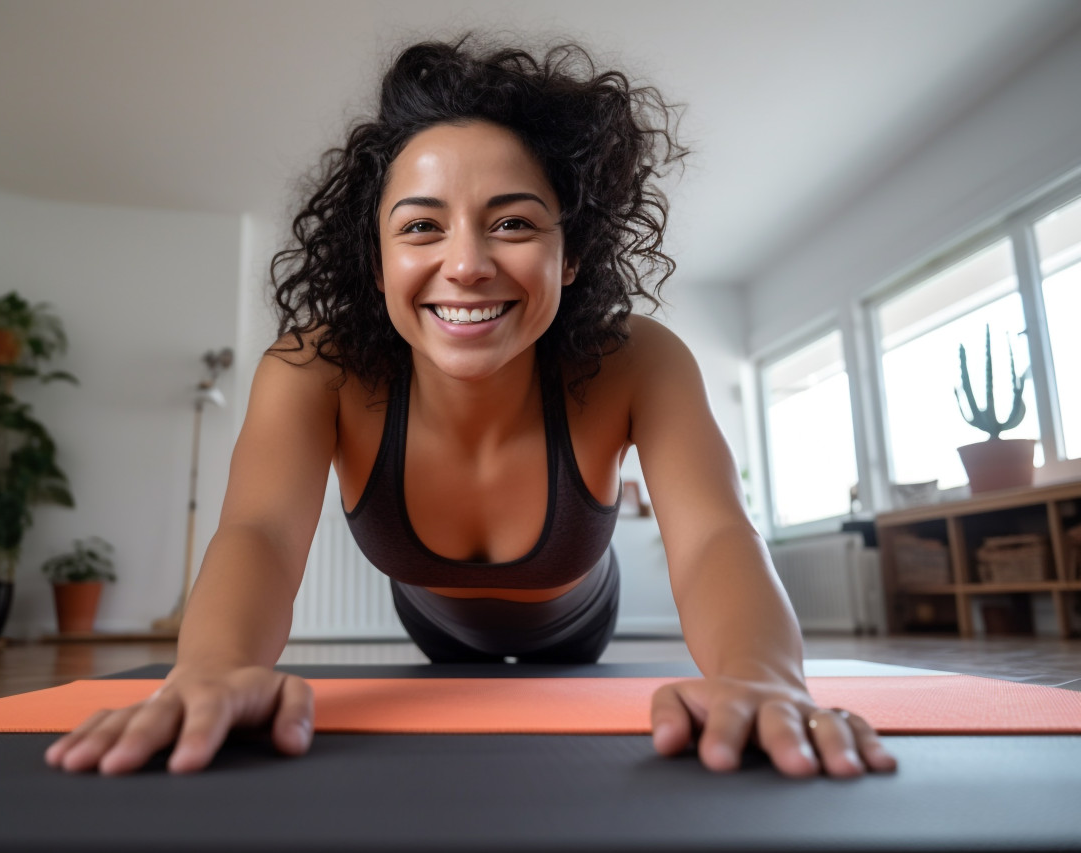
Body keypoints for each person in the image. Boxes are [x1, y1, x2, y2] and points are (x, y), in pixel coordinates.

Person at [45, 36, 897, 779]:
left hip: (580, 618)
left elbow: (716, 534)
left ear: (570, 255)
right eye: (421, 228)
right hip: (433, 624)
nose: (466, 264)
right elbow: (259, 533)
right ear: (375, 264)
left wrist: (762, 674)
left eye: (514, 224)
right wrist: (212, 668)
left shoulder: (638, 359)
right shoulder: (315, 367)